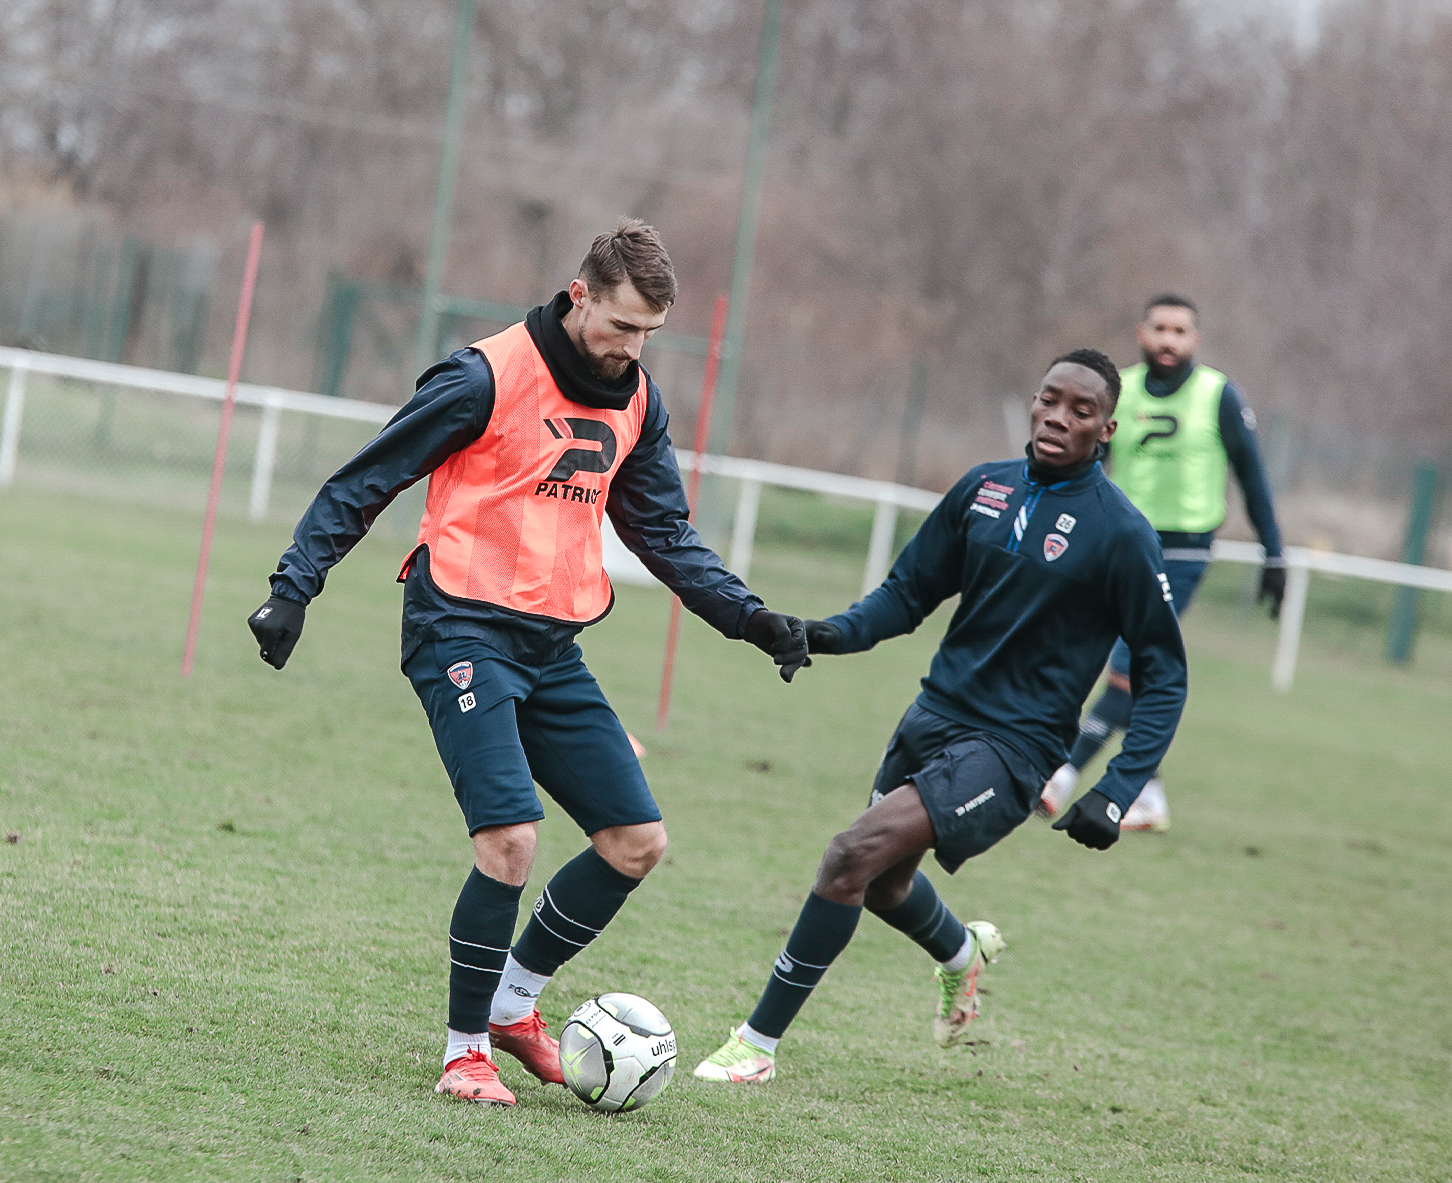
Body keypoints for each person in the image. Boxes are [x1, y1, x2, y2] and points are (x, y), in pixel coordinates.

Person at [246, 219, 808, 1107]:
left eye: (650, 335)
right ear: (579, 294)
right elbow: (366, 479)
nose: (633, 349)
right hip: (458, 628)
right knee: (510, 840)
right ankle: (464, 1053)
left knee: (635, 843)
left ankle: (514, 1005)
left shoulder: (639, 400)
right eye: (622, 326)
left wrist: (749, 618)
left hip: (552, 646)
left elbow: (663, 533)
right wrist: (294, 587)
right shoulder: (483, 376)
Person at [691, 349, 1188, 1084]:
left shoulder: (1121, 534)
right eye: (1050, 399)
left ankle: (756, 1047)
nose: (1059, 417)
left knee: (849, 855)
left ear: (1106, 428)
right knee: (886, 882)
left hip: (1014, 748)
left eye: (1081, 410)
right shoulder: (983, 489)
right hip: (934, 716)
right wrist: (825, 634)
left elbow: (1165, 674)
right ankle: (962, 953)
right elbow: (904, 595)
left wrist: (1116, 789)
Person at [1038, 295, 1284, 832]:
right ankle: (1147, 792)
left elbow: (1252, 474)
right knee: (1121, 663)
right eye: (1160, 328)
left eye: (1180, 330)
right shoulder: (1115, 392)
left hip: (1184, 550)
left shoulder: (1217, 394)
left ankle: (1063, 772)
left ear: (1195, 339)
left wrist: (1274, 551)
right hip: (1120, 544)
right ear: (1141, 332)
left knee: (1128, 663)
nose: (1169, 340)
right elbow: (1084, 464)